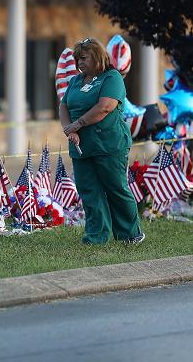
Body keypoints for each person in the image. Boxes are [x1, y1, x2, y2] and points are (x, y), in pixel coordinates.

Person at [59, 37, 144, 245]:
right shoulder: (75, 81)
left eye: (84, 58)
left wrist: (77, 124)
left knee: (115, 187)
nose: (79, 62)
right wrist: (69, 130)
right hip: (81, 145)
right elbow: (63, 105)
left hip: (109, 144)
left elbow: (105, 107)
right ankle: (96, 236)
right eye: (77, 58)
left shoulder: (112, 77)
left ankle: (130, 234)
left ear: (97, 57)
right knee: (89, 191)